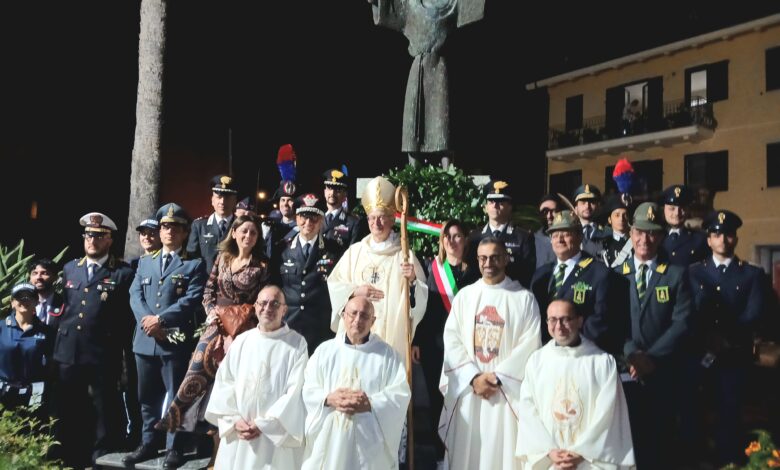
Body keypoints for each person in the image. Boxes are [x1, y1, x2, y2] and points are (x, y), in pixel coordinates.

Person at [157, 215, 269, 438]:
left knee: (233, 381)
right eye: (244, 231)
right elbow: (208, 290)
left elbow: (262, 300)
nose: (248, 236)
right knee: (197, 368)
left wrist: (242, 321)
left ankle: (225, 434)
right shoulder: (223, 257)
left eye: (253, 233)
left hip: (243, 329)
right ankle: (179, 423)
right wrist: (212, 313)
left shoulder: (262, 265)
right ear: (234, 233)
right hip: (215, 323)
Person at [439, 238, 541, 470]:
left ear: (506, 258)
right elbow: (452, 340)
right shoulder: (465, 297)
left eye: (495, 257)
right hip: (469, 391)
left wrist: (496, 378)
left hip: (506, 394)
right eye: (483, 258)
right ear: (477, 260)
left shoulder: (524, 299)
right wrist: (474, 377)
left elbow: (530, 344)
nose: (489, 263)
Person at [125, 203, 208, 469]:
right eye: (164, 227)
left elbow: (192, 299)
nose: (169, 231)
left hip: (174, 341)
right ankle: (148, 443)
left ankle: (175, 448)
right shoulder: (145, 262)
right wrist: (148, 322)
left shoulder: (194, 264)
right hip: (145, 341)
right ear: (159, 232)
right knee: (146, 397)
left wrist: (161, 320)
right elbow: (135, 295)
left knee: (176, 396)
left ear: (185, 233)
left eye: (175, 228)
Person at [683, 210, 768, 466]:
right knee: (694, 415)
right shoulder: (693, 273)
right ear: (708, 240)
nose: (723, 240)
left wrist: (724, 339)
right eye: (717, 234)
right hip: (699, 356)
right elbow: (687, 312)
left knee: (730, 415)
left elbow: (754, 314)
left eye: (728, 234)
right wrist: (706, 338)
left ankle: (728, 462)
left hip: (733, 357)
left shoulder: (751, 274)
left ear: (736, 239)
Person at [52, 212, 135, 469]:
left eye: (99, 236)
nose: (92, 240)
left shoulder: (121, 273)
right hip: (68, 351)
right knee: (69, 407)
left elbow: (125, 319)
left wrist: (122, 359)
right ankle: (69, 457)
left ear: (109, 240)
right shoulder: (69, 268)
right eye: (89, 235)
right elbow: (62, 309)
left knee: (103, 410)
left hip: (102, 352)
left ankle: (99, 459)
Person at [516, 299, 635, 469]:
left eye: (566, 319)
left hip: (588, 461)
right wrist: (548, 451)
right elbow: (528, 410)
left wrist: (581, 452)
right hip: (551, 460)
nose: (559, 326)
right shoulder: (537, 361)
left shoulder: (602, 363)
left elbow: (608, 413)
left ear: (580, 321)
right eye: (553, 320)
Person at [616, 202, 692, 469]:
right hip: (626, 373)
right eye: (639, 232)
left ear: (660, 236)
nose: (644, 239)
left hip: (664, 372)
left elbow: (682, 323)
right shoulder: (616, 275)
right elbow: (613, 324)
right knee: (628, 442)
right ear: (631, 234)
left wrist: (651, 358)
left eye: (652, 233)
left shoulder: (676, 275)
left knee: (661, 443)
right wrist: (633, 355)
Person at [301, 295, 411, 469]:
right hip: (331, 444)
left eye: (364, 316)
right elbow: (308, 387)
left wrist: (370, 403)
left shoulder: (387, 355)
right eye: (353, 314)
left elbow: (400, 394)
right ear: (343, 315)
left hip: (369, 444)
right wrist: (329, 399)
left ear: (373, 321)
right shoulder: (325, 351)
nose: (358, 320)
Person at [327, 176, 428, 363]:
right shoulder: (355, 252)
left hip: (391, 337)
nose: (376, 223)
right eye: (372, 218)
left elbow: (419, 301)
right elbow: (334, 283)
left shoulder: (404, 255)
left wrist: (413, 280)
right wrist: (355, 291)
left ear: (391, 220)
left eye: (382, 218)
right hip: (355, 334)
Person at [205, 286, 308, 469]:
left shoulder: (296, 344)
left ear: (284, 310)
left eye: (275, 303)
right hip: (239, 433)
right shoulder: (242, 341)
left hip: (273, 438)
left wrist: (264, 425)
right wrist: (234, 420)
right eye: (263, 303)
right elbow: (224, 383)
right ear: (255, 306)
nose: (268, 308)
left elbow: (295, 391)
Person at [367, 0, 484, 154]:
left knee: (442, 119)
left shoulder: (451, 5)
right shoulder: (410, 5)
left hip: (439, 67)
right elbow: (388, 8)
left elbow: (471, 7)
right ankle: (412, 168)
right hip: (418, 66)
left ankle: (447, 167)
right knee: (413, 117)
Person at [412, 220, 478, 460]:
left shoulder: (476, 272)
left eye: (457, 235)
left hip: (465, 346)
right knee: (435, 398)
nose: (451, 241)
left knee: (463, 397)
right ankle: (440, 454)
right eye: (447, 236)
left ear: (465, 240)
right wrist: (417, 340)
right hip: (435, 345)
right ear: (442, 242)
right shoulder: (434, 268)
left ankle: (461, 451)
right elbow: (425, 307)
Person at [530, 210, 620, 354]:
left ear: (579, 237)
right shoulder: (541, 275)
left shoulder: (599, 273)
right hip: (545, 353)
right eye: (554, 235)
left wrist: (568, 341)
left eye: (566, 234)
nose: (559, 240)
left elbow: (601, 319)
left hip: (581, 353)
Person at [278, 193, 341, 354]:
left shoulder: (334, 250)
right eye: (304, 217)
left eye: (314, 218)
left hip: (320, 328)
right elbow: (276, 285)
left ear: (321, 221)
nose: (308, 223)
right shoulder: (282, 248)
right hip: (288, 325)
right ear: (297, 218)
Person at [468, 178, 536, 288]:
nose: (495, 205)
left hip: (512, 294)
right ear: (486, 207)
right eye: (491, 202)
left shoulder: (523, 238)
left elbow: (527, 273)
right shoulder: (474, 237)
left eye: (500, 202)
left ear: (510, 207)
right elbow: (471, 271)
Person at [0, 283, 53, 410]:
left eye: (29, 297)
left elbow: (53, 365)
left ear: (36, 302)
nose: (24, 301)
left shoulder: (47, 331)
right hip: (2, 392)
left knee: (32, 427)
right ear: (12, 303)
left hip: (34, 393)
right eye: (20, 297)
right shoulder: (1, 327)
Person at [187, 174, 239, 273]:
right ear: (212, 200)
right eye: (219, 197)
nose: (222, 202)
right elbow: (192, 259)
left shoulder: (241, 226)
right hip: (205, 282)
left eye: (227, 198)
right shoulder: (199, 226)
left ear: (234, 201)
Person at [661, 184, 708, 266]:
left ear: (688, 210)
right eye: (672, 209)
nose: (677, 213)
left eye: (682, 208)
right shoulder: (656, 236)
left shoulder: (700, 239)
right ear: (664, 209)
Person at [321, 168, 364, 257]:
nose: (332, 193)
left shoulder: (353, 222)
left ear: (345, 195)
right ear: (324, 192)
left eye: (337, 190)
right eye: (329, 188)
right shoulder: (316, 219)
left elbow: (353, 255)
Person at [597, 195, 632, 267]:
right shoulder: (603, 244)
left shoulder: (636, 242)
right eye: (617, 215)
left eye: (625, 215)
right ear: (609, 220)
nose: (621, 219)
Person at [29, 258, 63, 328]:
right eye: (35, 273)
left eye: (44, 273)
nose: (38, 277)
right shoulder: (22, 303)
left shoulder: (64, 305)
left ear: (55, 277)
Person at [535, 194, 560, 269]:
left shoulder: (569, 239)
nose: (549, 216)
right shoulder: (532, 241)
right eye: (545, 212)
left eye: (554, 211)